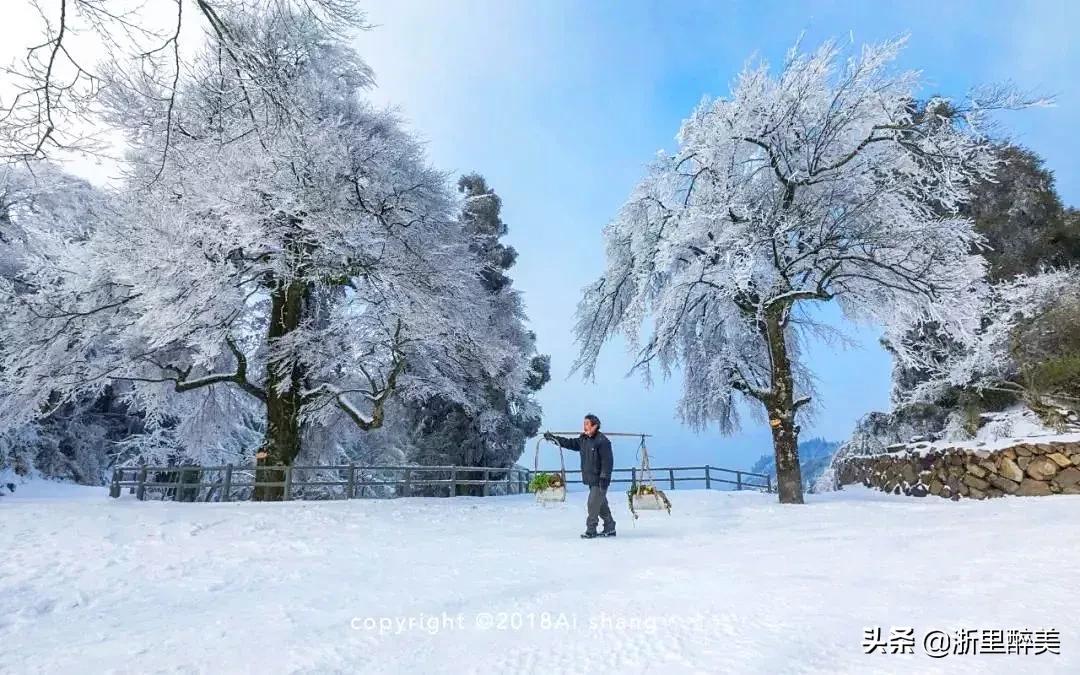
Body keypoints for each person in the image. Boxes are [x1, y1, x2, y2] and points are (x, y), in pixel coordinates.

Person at [545, 414, 615, 538]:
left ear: (595, 426)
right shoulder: (583, 440)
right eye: (584, 423)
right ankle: (610, 527)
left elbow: (607, 462)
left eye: (587, 423)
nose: (584, 426)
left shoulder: (603, 441)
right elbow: (569, 443)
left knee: (592, 504)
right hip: (591, 479)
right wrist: (553, 439)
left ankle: (591, 529)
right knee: (600, 505)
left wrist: (604, 477)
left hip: (600, 480)